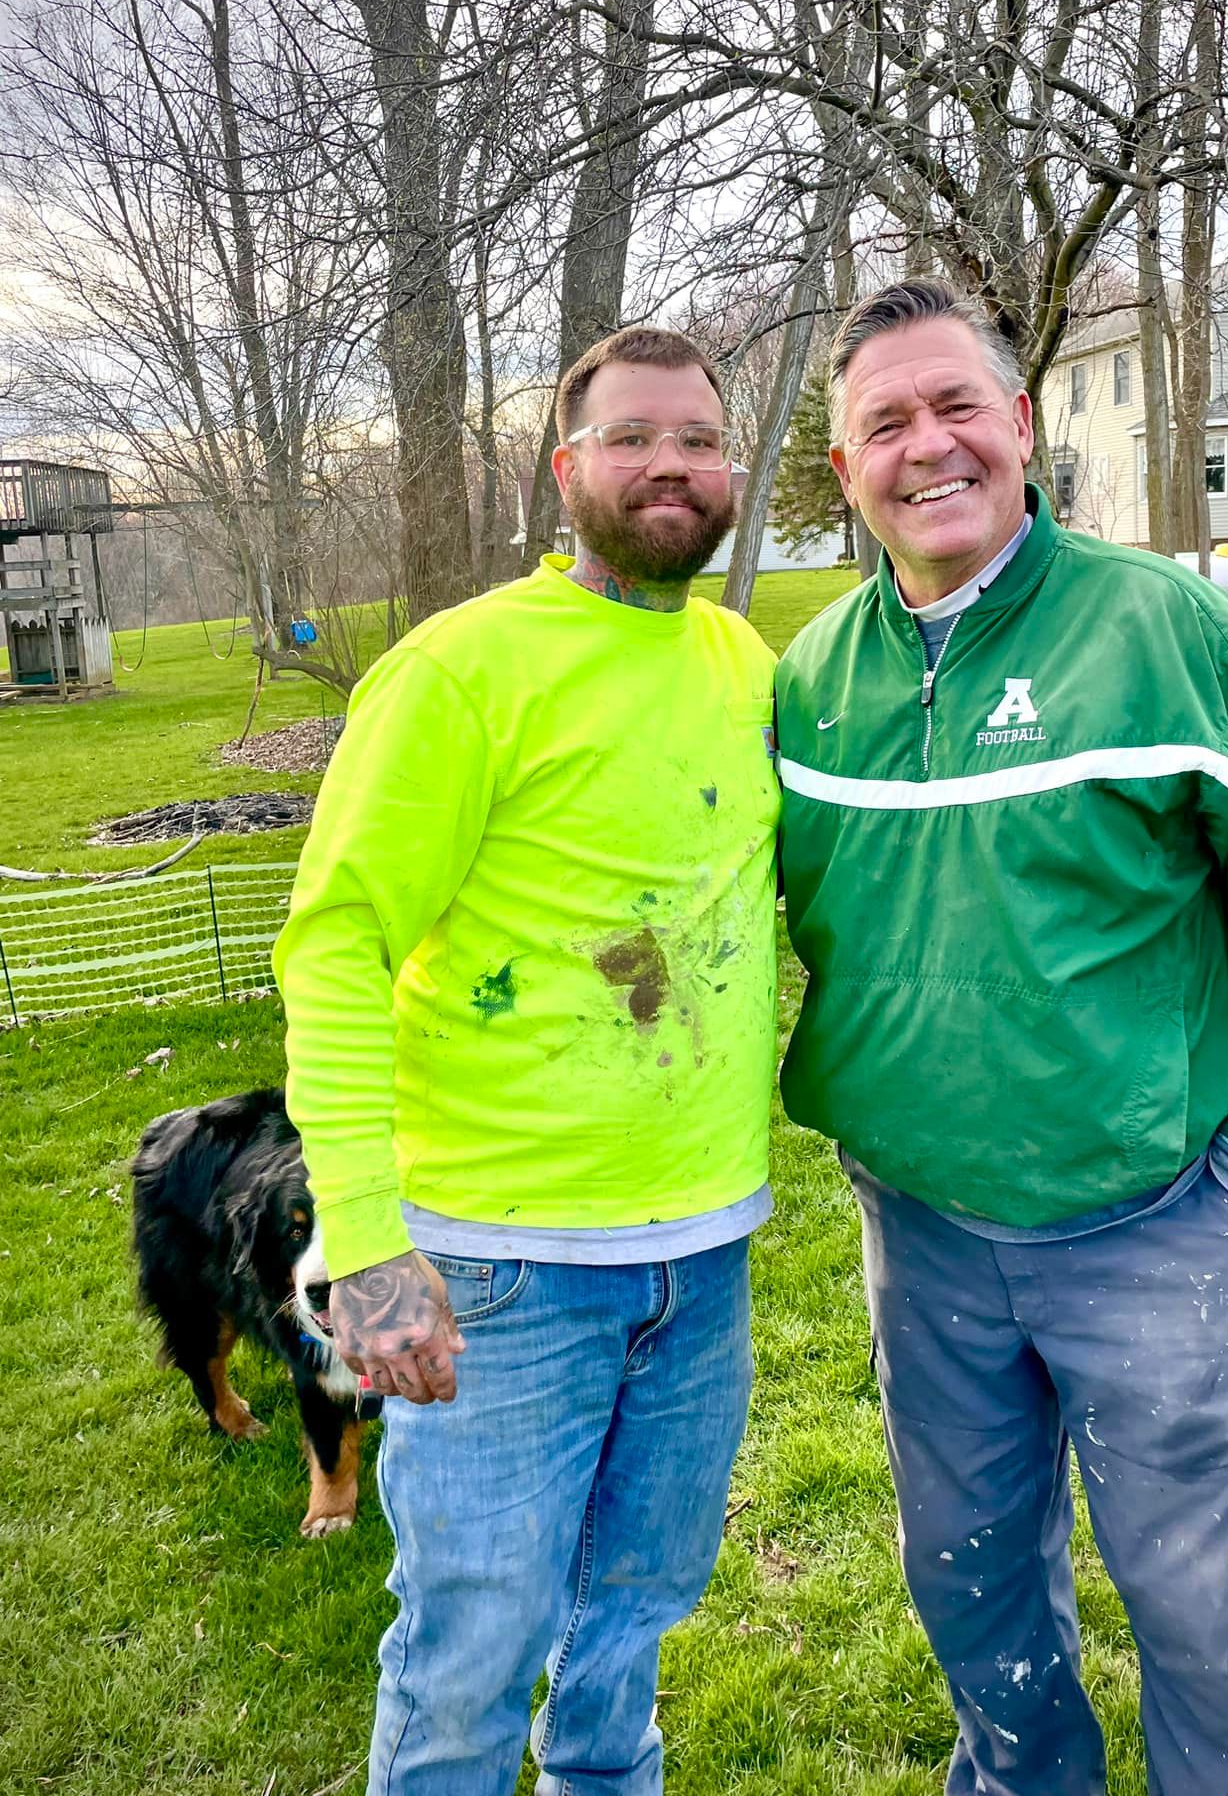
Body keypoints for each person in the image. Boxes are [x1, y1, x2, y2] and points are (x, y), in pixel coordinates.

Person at [773, 278, 1228, 1796]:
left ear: (1024, 425)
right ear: (846, 467)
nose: (929, 448)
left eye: (957, 407)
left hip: (1162, 1237)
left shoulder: (1165, 631)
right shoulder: (808, 688)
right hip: (923, 1244)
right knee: (977, 1610)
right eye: (886, 423)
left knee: (1221, 1634)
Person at [274, 327, 781, 1796]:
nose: (669, 463)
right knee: (469, 1660)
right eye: (630, 437)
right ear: (566, 472)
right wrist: (363, 1244)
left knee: (630, 1630)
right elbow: (335, 948)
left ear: (732, 466)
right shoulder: (460, 671)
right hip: (498, 1276)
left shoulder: (742, 661)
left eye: (696, 436)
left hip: (704, 1261)